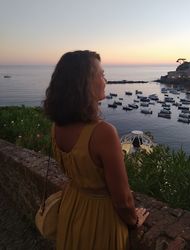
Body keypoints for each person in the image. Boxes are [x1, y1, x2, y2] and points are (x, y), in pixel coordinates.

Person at [43, 50, 149, 250]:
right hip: (100, 218)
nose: (106, 80)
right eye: (101, 74)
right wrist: (135, 221)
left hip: (72, 206)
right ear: (84, 84)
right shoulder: (103, 133)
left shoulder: (56, 126)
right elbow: (123, 200)